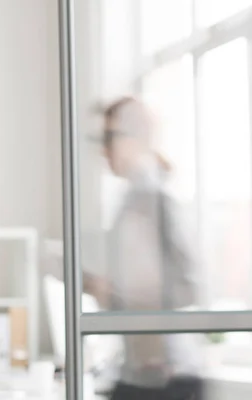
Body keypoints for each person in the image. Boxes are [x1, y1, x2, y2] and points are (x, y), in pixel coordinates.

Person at [84, 96, 206, 400]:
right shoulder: (130, 200)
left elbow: (191, 286)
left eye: (109, 137)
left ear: (136, 138)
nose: (104, 149)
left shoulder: (158, 197)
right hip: (142, 373)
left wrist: (124, 295)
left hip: (169, 376)